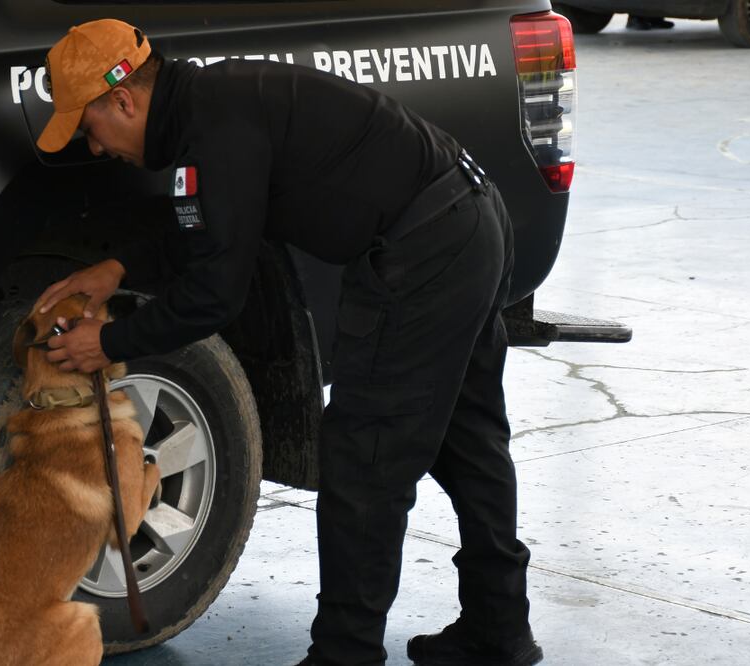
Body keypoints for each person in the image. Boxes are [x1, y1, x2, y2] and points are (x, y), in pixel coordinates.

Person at [34, 18, 542, 666]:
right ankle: (499, 628)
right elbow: (210, 234)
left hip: (425, 250)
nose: (96, 147)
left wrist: (110, 341)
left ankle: (344, 654)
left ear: (123, 99)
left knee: (363, 459)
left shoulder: (212, 130)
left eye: (89, 128)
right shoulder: (213, 110)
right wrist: (120, 269)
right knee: (469, 438)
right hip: (470, 217)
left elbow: (217, 295)